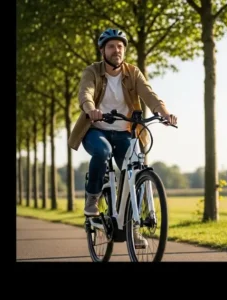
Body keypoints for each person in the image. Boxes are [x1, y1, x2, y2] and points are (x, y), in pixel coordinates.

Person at [67, 28, 177, 248]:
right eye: (111, 46)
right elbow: (85, 93)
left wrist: (164, 113)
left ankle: (133, 228)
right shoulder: (92, 71)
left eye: (120, 46)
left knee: (136, 169)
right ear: (102, 50)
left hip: (126, 132)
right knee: (103, 152)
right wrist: (91, 109)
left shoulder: (132, 72)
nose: (116, 50)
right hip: (96, 130)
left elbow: (149, 94)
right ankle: (92, 199)